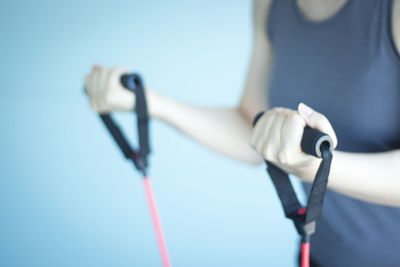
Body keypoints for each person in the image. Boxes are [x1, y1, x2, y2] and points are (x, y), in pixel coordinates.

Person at [85, 0, 400, 266]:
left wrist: (317, 167)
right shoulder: (270, 5)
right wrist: (149, 103)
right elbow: (252, 128)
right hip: (320, 256)